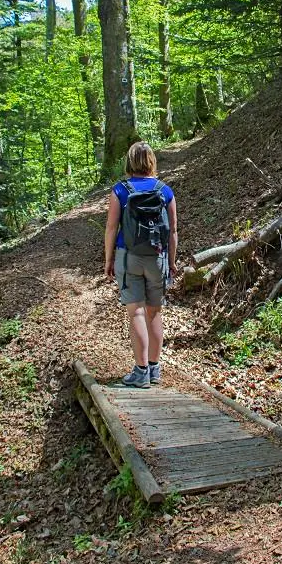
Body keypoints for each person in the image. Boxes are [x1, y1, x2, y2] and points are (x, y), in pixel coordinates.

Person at [104, 142, 177, 388]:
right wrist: (172, 261)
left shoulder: (120, 190)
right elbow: (173, 230)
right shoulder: (165, 190)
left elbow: (112, 227)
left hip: (129, 256)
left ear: (129, 162)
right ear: (152, 161)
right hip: (157, 256)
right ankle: (155, 370)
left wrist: (109, 259)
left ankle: (141, 371)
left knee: (135, 311)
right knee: (155, 311)